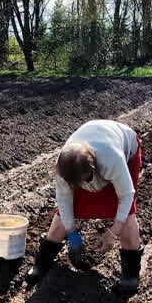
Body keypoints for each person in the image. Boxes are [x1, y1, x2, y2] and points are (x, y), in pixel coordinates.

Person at [27, 119, 143, 291]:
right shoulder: (64, 166)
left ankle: (130, 277)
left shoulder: (113, 159)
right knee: (63, 214)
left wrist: (113, 232)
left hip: (125, 147)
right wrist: (72, 236)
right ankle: (41, 265)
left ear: (93, 168)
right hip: (84, 160)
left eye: (86, 181)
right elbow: (64, 200)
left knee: (127, 215)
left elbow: (126, 196)